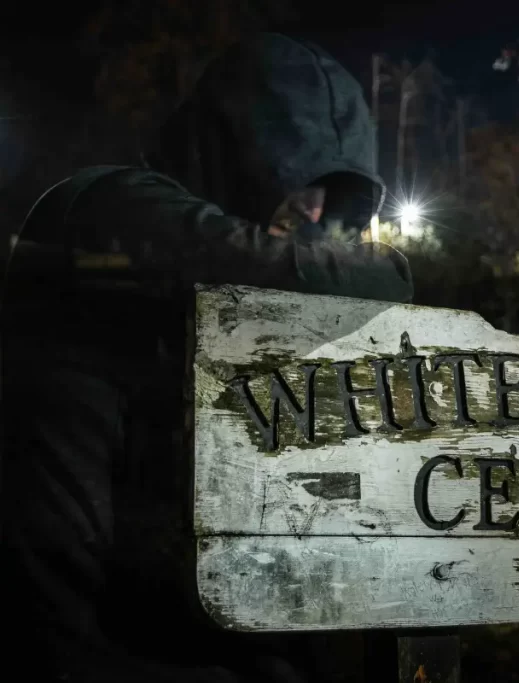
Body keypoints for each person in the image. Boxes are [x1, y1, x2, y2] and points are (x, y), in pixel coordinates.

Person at [1, 33, 411, 682]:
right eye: (298, 169)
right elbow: (324, 279)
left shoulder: (239, 325)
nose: (315, 206)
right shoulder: (104, 202)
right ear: (225, 144)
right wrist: (379, 269)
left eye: (333, 187)